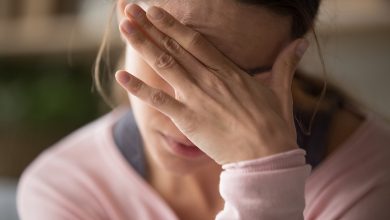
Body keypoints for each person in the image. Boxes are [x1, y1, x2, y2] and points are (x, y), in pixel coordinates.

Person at [17, 0, 390, 219]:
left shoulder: (371, 177)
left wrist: (265, 177)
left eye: (240, 79)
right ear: (124, 13)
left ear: (293, 53)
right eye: (170, 57)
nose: (188, 114)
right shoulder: (65, 189)